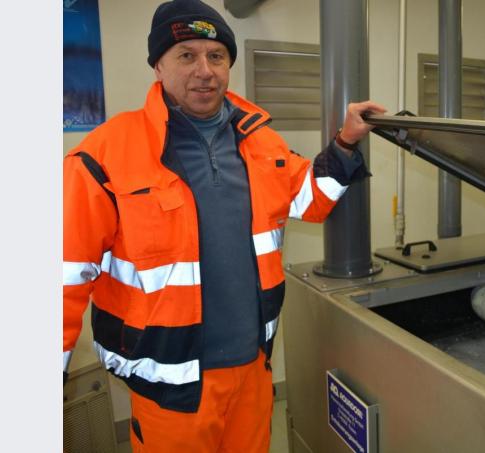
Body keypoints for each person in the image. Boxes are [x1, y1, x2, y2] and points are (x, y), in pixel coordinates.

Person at [62, 0, 386, 451]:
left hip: (253, 371)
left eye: (216, 56)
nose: (204, 71)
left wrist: (346, 142)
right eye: (186, 55)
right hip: (170, 388)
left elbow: (308, 198)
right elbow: (62, 277)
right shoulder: (105, 154)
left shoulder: (259, 140)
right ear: (158, 64)